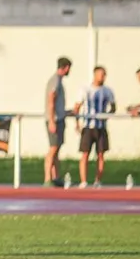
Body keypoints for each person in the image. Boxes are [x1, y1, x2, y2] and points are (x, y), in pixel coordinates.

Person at [74, 66, 115, 188]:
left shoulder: (108, 91)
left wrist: (106, 115)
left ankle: (98, 180)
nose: (103, 77)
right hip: (88, 126)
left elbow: (113, 107)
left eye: (104, 75)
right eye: (101, 74)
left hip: (101, 127)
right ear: (95, 75)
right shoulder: (85, 89)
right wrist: (77, 123)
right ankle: (84, 181)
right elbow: (77, 107)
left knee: (101, 154)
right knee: (85, 153)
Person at [45, 57, 72, 187]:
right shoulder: (55, 80)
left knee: (57, 150)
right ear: (66, 67)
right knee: (53, 149)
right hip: (54, 120)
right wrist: (51, 121)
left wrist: (66, 112)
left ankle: (56, 177)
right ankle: (47, 178)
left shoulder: (58, 81)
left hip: (58, 118)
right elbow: (51, 101)